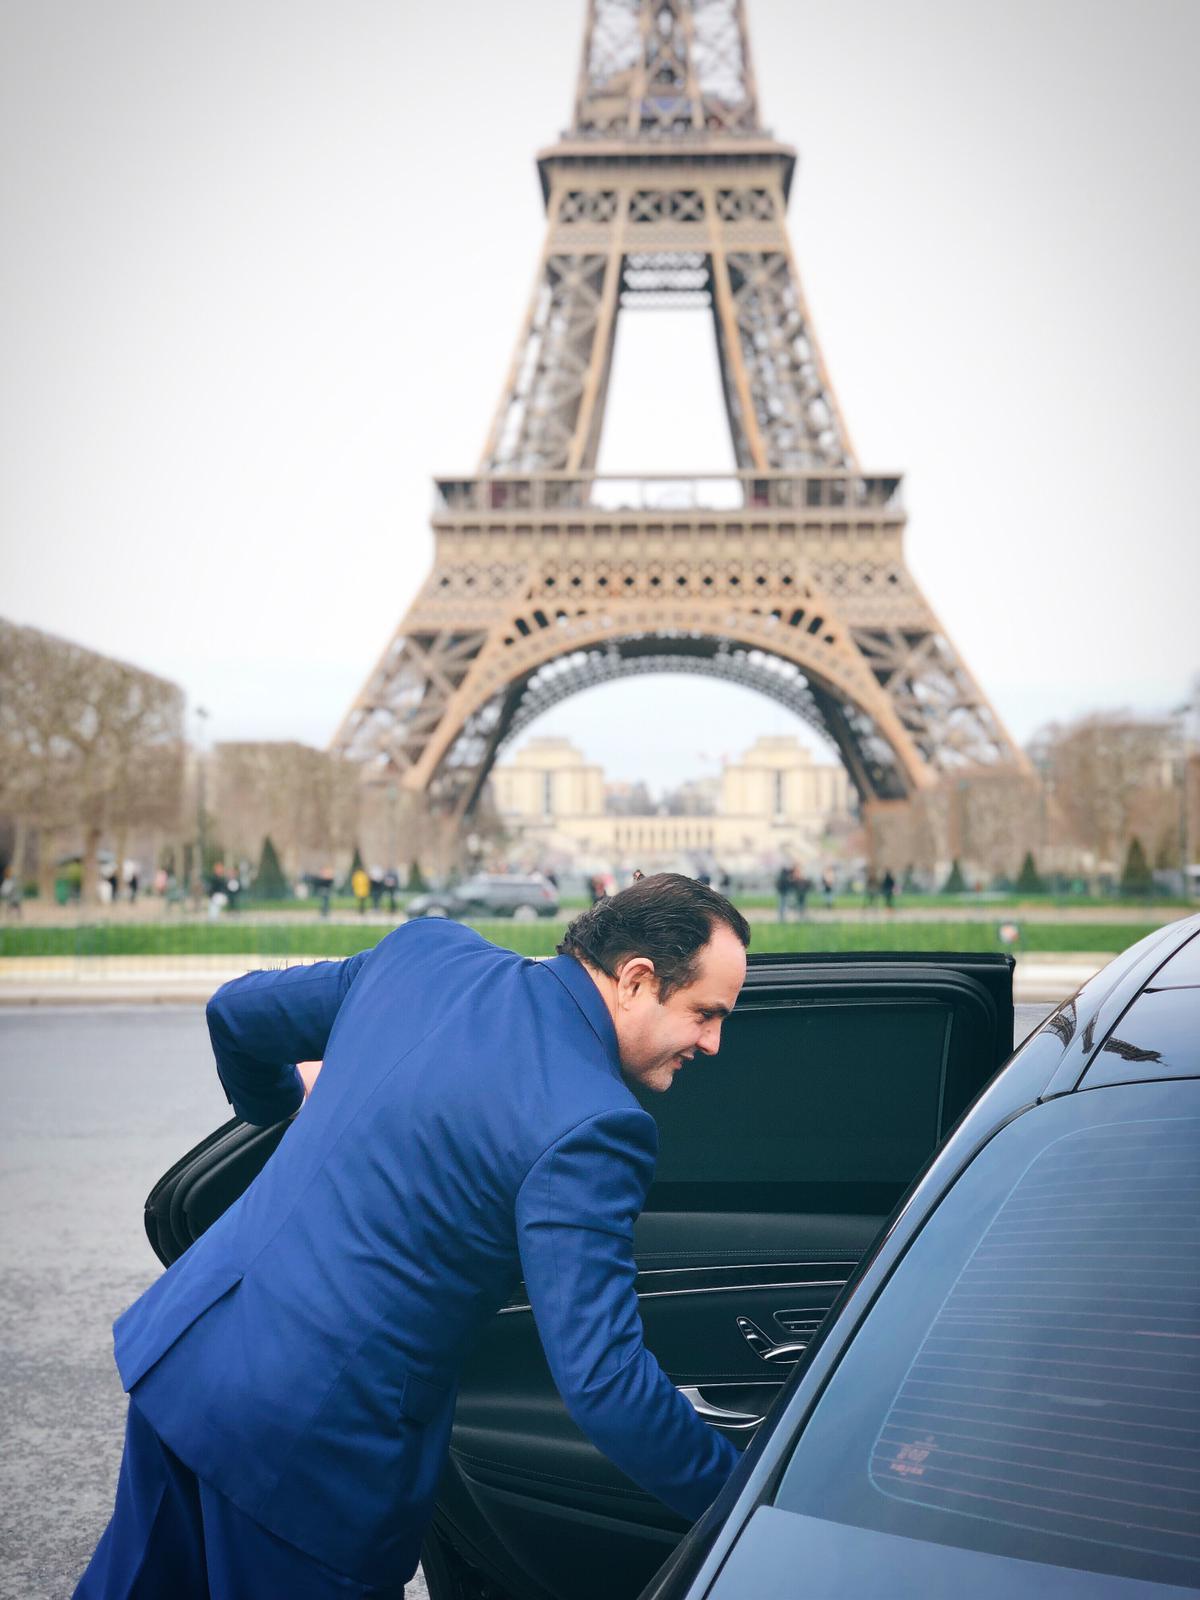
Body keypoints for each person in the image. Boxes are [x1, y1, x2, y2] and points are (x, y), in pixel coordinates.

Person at [74, 874, 750, 1599]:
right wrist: (749, 1500)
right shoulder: (594, 1125)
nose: (713, 1043)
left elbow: (234, 1013)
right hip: (310, 1451)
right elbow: (605, 1384)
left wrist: (280, 1110)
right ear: (637, 978)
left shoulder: (425, 954)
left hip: (187, 1354)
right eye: (705, 1014)